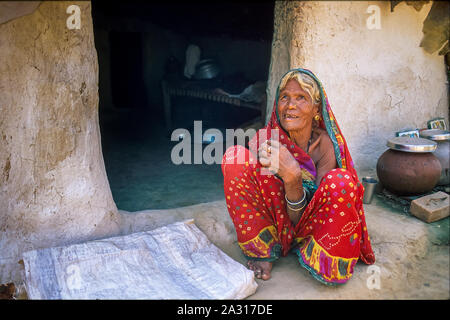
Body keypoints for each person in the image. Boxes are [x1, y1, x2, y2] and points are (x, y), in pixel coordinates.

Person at [221, 68, 375, 285]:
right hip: (276, 222)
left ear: (316, 109)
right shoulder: (267, 139)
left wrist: (293, 177)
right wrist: (285, 177)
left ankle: (319, 255)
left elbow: (320, 209)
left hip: (311, 228)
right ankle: (262, 250)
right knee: (235, 157)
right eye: (285, 97)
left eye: (301, 98)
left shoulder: (325, 146)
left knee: (341, 182)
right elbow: (261, 195)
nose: (290, 105)